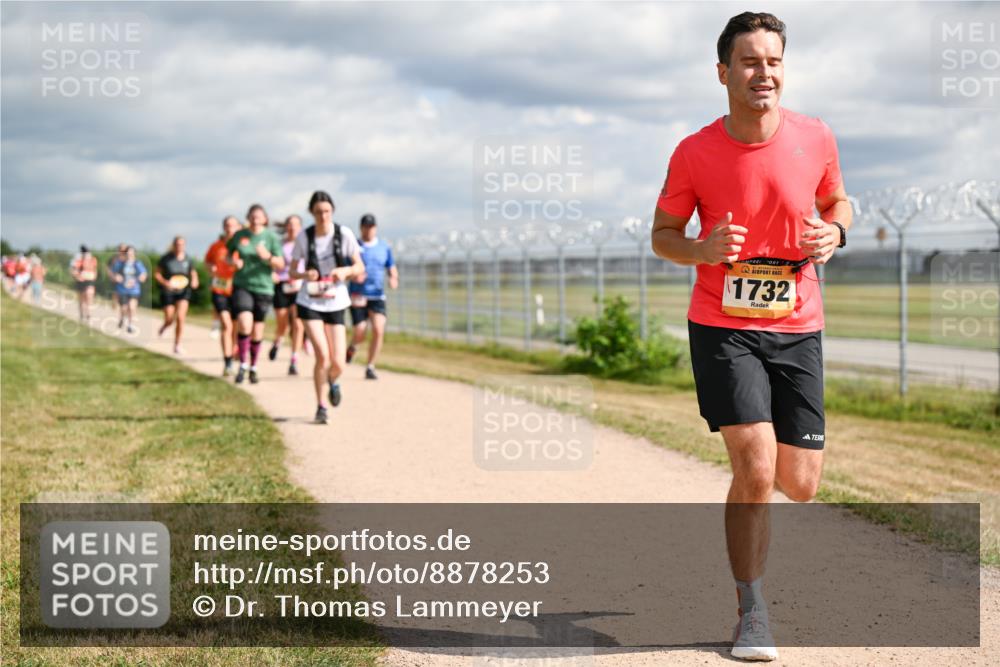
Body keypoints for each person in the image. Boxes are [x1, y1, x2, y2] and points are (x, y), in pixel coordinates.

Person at [650, 12, 851, 662]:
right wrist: (701, 247)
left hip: (799, 322)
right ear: (723, 73)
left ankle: (752, 536)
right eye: (749, 62)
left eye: (773, 61)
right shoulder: (695, 151)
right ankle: (752, 608)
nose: (763, 73)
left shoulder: (816, 136)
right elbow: (662, 236)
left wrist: (836, 232)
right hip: (722, 322)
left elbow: (838, 201)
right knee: (757, 465)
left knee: (800, 482)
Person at [289, 191, 363, 424]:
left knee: (338, 361)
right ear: (312, 212)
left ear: (332, 211)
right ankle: (321, 407)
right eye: (319, 212)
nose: (323, 216)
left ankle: (333, 381)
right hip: (310, 301)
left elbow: (359, 266)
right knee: (322, 354)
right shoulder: (305, 237)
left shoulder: (344, 234)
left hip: (336, 300)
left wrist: (346, 271)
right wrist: (304, 274)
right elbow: (291, 271)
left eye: (327, 211)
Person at [227, 203, 284, 384]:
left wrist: (267, 256)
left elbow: (281, 263)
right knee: (245, 323)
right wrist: (233, 262)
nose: (255, 219)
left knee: (258, 330)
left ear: (265, 219)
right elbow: (228, 254)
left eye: (258, 216)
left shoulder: (271, 238)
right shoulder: (240, 235)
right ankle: (243, 364)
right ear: (248, 218)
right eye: (252, 215)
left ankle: (253, 366)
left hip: (264, 287)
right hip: (242, 284)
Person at [346, 213, 399, 379]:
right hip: (358, 294)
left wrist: (393, 278)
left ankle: (370, 366)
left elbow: (391, 267)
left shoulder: (384, 247)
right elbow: (345, 270)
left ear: (375, 228)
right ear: (361, 228)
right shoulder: (354, 247)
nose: (368, 230)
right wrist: (354, 276)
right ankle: (353, 346)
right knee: (360, 330)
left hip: (377, 295)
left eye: (371, 227)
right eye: (365, 227)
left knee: (378, 329)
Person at [205, 216, 242, 375]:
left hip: (238, 288)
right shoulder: (216, 246)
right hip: (219, 289)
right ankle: (227, 362)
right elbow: (207, 262)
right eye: (227, 225)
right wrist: (211, 269)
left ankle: (234, 348)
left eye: (232, 226)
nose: (229, 228)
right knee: (226, 325)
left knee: (236, 326)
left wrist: (241, 266)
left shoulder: (243, 246)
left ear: (238, 227)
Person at [269, 214, 305, 375]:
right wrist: (273, 274)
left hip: (299, 286)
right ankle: (278, 341)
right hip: (282, 285)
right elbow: (272, 263)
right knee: (282, 323)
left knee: (298, 323)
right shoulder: (279, 245)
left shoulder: (304, 244)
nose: (292, 228)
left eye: (296, 225)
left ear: (300, 227)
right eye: (290, 225)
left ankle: (294, 359)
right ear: (286, 227)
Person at [155, 236, 199, 354]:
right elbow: (157, 274)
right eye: (177, 244)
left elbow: (193, 273)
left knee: (180, 317)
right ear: (174, 245)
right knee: (170, 318)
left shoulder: (188, 259)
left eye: (182, 244)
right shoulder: (166, 258)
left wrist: (195, 281)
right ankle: (165, 326)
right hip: (168, 291)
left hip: (183, 291)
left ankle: (177, 344)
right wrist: (165, 283)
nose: (179, 246)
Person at [110, 246, 148, 334]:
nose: (130, 254)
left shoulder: (137, 264)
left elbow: (143, 274)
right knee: (123, 308)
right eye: (128, 253)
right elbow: (112, 273)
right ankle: (122, 319)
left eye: (131, 253)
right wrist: (116, 277)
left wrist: (139, 279)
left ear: (134, 254)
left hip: (134, 290)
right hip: (122, 290)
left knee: (132, 307)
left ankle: (130, 325)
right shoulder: (120, 263)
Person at [69, 245, 99, 321]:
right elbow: (74, 270)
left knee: (89, 296)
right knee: (82, 299)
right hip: (81, 281)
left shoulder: (93, 260)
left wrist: (94, 276)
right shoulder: (79, 260)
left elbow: (94, 269)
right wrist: (78, 276)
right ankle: (82, 314)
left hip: (90, 280)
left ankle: (88, 313)